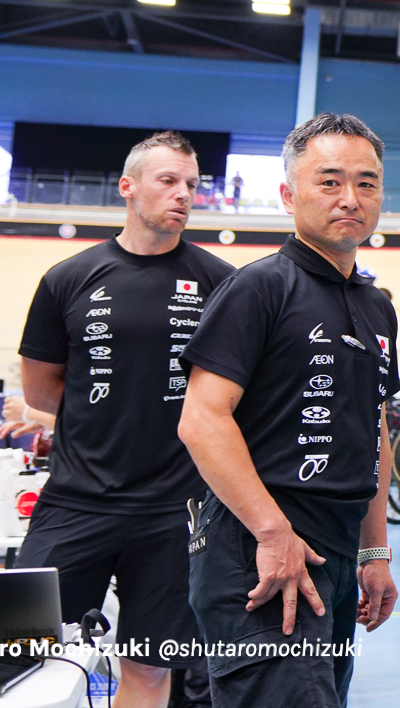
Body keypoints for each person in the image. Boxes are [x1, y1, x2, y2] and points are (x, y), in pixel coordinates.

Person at [178, 114, 400, 708]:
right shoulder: (260, 288)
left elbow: (370, 431)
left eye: (367, 183)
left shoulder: (377, 307)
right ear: (288, 195)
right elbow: (201, 419)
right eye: (329, 182)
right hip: (258, 549)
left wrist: (374, 549)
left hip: (335, 549)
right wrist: (272, 532)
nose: (350, 199)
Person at [14, 131, 235, 708]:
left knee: (150, 671)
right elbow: (40, 387)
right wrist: (106, 411)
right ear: (128, 187)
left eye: (191, 184)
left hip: (176, 509)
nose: (183, 194)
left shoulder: (222, 284)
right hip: (76, 501)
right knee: (20, 657)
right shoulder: (68, 278)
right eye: (168, 181)